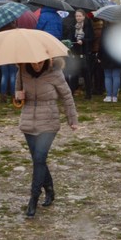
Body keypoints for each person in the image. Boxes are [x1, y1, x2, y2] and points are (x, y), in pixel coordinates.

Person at [15, 58, 78, 218]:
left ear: (47, 59)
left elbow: (67, 96)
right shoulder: (22, 71)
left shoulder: (55, 73)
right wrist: (18, 98)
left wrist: (72, 119)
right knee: (38, 160)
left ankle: (33, 199)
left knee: (39, 158)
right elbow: (18, 96)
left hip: (49, 122)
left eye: (40, 62)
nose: (36, 65)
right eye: (34, 62)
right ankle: (49, 189)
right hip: (29, 121)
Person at [64, 9, 93, 99]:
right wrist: (70, 42)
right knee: (74, 74)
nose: (78, 18)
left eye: (80, 16)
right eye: (77, 16)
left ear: (84, 16)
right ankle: (71, 92)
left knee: (86, 74)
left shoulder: (88, 26)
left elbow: (91, 38)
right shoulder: (73, 26)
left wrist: (83, 41)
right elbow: (69, 37)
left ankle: (88, 94)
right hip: (75, 52)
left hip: (84, 53)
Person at [99, 22, 121, 102]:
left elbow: (101, 44)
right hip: (118, 55)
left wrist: (99, 56)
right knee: (116, 76)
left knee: (108, 76)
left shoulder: (105, 30)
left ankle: (109, 96)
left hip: (106, 55)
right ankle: (115, 96)